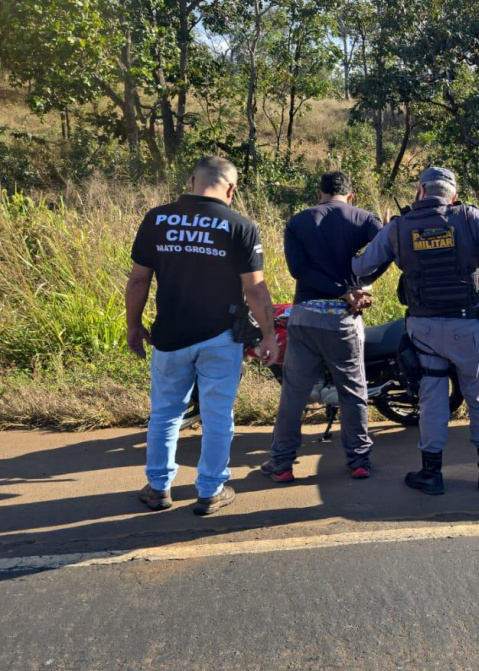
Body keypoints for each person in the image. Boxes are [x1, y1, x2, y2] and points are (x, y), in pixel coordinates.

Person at [126, 156, 280, 516]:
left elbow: (138, 280)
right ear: (231, 189)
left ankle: (158, 488)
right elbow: (256, 291)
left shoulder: (157, 218)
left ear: (192, 181)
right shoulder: (240, 225)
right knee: (217, 416)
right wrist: (269, 335)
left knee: (165, 414)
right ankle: (210, 490)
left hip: (170, 336)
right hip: (220, 337)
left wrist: (133, 326)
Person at [352, 167, 479, 495]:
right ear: (453, 196)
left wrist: (385, 235)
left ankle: (431, 473)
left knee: (431, 401)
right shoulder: (471, 218)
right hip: (470, 325)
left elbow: (361, 268)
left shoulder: (399, 228)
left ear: (420, 191)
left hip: (424, 330)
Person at [260, 171, 388, 483]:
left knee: (294, 393)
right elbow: (386, 255)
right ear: (351, 196)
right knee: (352, 390)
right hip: (344, 320)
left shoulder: (299, 221)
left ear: (319, 194)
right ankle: (358, 461)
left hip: (304, 317)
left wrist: (341, 288)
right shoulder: (366, 219)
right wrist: (358, 287)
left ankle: (281, 464)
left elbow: (298, 270)